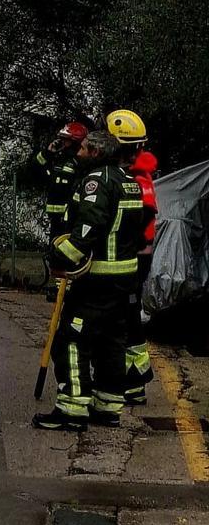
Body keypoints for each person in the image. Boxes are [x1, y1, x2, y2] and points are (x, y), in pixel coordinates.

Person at [34, 130, 146, 431]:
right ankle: (107, 406)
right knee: (111, 341)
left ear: (96, 153)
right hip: (125, 280)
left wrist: (61, 259)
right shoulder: (129, 183)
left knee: (71, 339)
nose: (78, 152)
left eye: (83, 148)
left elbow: (88, 229)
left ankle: (72, 408)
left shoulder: (96, 182)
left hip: (98, 280)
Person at [107, 109, 157, 405]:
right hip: (134, 255)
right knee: (125, 315)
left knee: (126, 317)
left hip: (134, 257)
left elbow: (145, 213)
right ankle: (130, 378)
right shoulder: (136, 173)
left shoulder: (138, 177)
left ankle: (135, 379)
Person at [36, 121, 91, 240]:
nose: (61, 142)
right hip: (55, 219)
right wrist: (48, 153)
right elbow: (37, 169)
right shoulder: (58, 158)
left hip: (70, 219)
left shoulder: (81, 163)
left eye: (65, 139)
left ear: (75, 142)